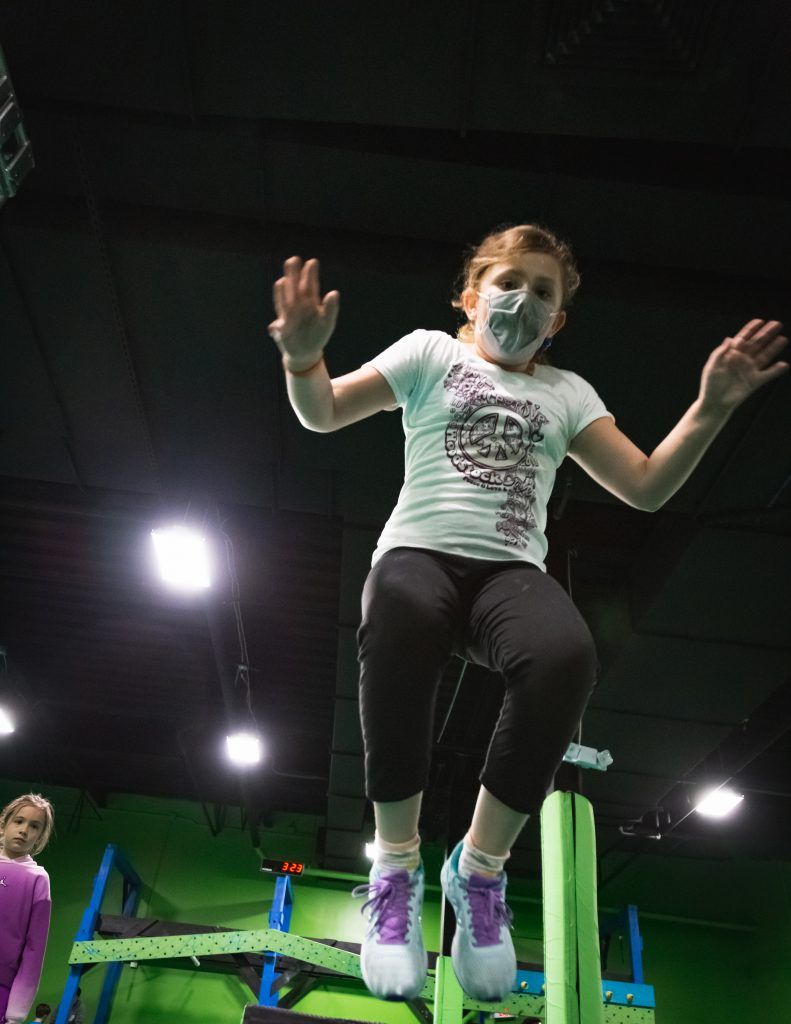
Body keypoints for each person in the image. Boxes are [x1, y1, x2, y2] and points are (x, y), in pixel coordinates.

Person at [268, 224, 788, 1002]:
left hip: (510, 573)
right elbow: (322, 413)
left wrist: (709, 408)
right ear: (469, 296)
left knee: (566, 654)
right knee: (401, 617)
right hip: (419, 555)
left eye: (543, 292)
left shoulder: (566, 394)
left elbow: (643, 486)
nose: (524, 299)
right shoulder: (428, 355)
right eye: (508, 281)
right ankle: (396, 869)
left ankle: (477, 874)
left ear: (558, 321)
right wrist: (301, 358)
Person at [0, 794, 54, 1024]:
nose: (24, 830)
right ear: (3, 825)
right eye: (19, 821)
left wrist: (15, 1014)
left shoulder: (38, 879)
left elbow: (35, 950)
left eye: (34, 826)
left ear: (40, 837)